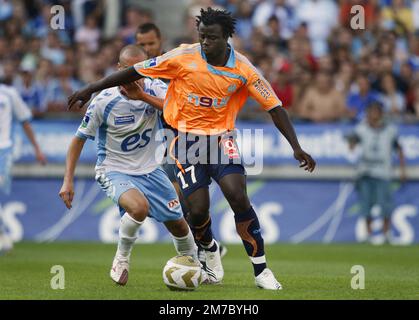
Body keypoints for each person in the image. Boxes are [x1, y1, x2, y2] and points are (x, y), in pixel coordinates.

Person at [68, 7, 316, 290]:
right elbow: (134, 71)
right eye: (202, 36)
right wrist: (91, 88)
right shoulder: (183, 56)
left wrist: (296, 147)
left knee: (237, 195)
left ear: (227, 38)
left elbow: (275, 108)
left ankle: (261, 271)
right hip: (186, 141)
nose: (205, 43)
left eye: (211, 38)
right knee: (196, 212)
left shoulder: (244, 69)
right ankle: (209, 248)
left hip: (222, 139)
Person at [59, 45, 199, 285]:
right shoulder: (104, 101)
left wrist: (142, 96)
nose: (134, 78)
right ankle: (121, 259)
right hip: (114, 169)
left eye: (139, 71)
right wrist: (67, 180)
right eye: (128, 71)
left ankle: (194, 265)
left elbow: (179, 115)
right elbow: (77, 141)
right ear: (119, 71)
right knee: (139, 208)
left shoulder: (156, 89)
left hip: (150, 170)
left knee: (177, 222)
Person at [136, 22, 228, 264]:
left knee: (181, 201)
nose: (146, 49)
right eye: (141, 44)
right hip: (156, 147)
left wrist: (143, 96)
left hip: (184, 142)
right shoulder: (143, 71)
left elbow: (175, 107)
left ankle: (202, 249)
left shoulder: (175, 65)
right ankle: (207, 246)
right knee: (175, 205)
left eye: (151, 43)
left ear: (161, 40)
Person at [347, 102, 406, 243]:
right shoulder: (361, 129)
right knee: (366, 204)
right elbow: (352, 144)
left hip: (383, 172)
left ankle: (386, 234)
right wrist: (352, 145)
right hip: (365, 172)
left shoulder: (390, 130)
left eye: (375, 112)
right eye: (370, 112)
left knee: (386, 205)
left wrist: (402, 170)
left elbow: (399, 149)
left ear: (381, 113)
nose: (373, 115)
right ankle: (368, 234)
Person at [0, 83, 46, 255]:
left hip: (3, 150)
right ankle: (3, 234)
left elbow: (25, 120)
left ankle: (3, 235)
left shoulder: (9, 93)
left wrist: (37, 149)